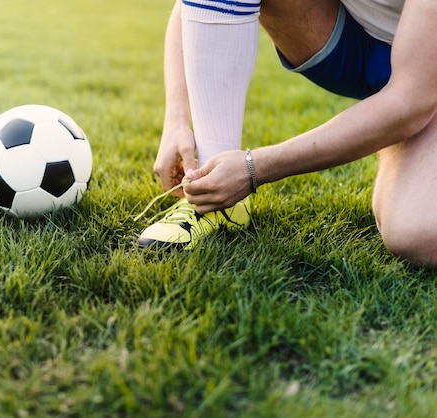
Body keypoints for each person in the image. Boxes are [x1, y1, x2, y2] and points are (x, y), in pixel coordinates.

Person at [138, 0, 437, 266]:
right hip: (356, 41)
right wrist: (176, 119)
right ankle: (215, 196)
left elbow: (408, 101)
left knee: (414, 232)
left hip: (419, 71)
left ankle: (399, 130)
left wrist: (254, 168)